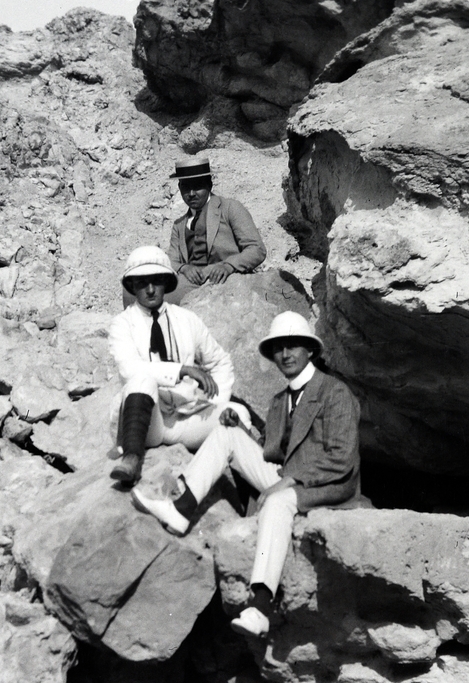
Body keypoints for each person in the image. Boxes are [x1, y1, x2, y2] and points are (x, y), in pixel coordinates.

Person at [134, 312, 360, 636]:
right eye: (278, 348)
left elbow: (342, 457)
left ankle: (260, 605)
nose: (286, 354)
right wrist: (242, 428)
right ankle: (181, 508)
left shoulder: (334, 392)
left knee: (279, 502)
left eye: (294, 345)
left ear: (311, 350)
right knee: (226, 433)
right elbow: (274, 454)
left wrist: (289, 481)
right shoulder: (281, 400)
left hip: (328, 488)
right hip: (288, 477)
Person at [107, 245, 237, 487]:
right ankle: (132, 459)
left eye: (156, 281)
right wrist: (181, 370)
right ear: (132, 286)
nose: (150, 289)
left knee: (238, 416)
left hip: (185, 418)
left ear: (166, 283)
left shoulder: (186, 319)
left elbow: (220, 361)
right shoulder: (122, 324)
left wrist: (217, 402)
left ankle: (241, 487)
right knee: (141, 380)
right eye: (141, 282)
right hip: (149, 425)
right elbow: (129, 369)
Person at [168, 155, 266, 287]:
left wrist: (228, 266)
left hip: (227, 281)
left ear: (209, 184)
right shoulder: (179, 225)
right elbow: (171, 261)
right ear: (179, 188)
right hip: (190, 283)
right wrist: (184, 268)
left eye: (197, 186)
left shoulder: (230, 208)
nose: (191, 194)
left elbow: (257, 249)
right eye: (186, 187)